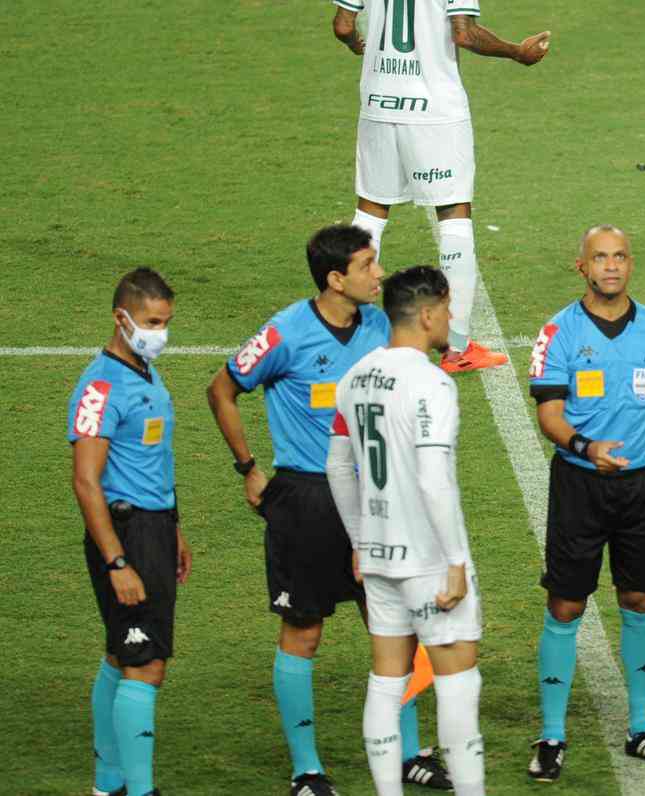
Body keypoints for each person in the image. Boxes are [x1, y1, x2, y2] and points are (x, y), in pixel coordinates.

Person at [205, 226, 450, 795]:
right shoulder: (283, 333)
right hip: (307, 500)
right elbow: (221, 389)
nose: (378, 273)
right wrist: (249, 469)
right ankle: (306, 769)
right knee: (304, 630)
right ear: (336, 279)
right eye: (368, 265)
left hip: (378, 495)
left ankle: (412, 752)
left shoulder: (379, 326)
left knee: (396, 626)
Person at [525, 225, 645, 782]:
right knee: (566, 605)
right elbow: (548, 413)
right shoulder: (557, 332)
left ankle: (643, 727)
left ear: (631, 264)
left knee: (640, 599)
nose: (611, 266)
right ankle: (551, 735)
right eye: (600, 258)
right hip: (580, 485)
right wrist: (585, 447)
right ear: (581, 266)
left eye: (620, 257)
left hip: (644, 488)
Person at [326, 266, 486, 796]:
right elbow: (434, 476)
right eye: (445, 307)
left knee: (386, 680)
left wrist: (357, 541)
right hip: (426, 560)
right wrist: (456, 561)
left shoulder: (354, 377)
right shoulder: (432, 381)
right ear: (426, 314)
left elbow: (336, 467)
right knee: (458, 684)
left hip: (376, 554)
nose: (450, 317)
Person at [329, 0, 551, 373]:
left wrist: (356, 45)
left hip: (378, 103)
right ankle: (457, 346)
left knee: (370, 212)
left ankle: (342, 329)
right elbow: (464, 33)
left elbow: (342, 25)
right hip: (435, 112)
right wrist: (517, 52)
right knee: (454, 214)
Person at [69, 268, 193, 796]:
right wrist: (119, 562)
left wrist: (174, 528)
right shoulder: (99, 387)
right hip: (127, 535)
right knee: (146, 665)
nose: (160, 332)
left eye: (165, 321)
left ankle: (108, 785)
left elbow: (151, 460)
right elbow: (86, 482)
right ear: (121, 318)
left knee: (121, 655)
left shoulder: (143, 370)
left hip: (154, 527)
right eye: (151, 321)